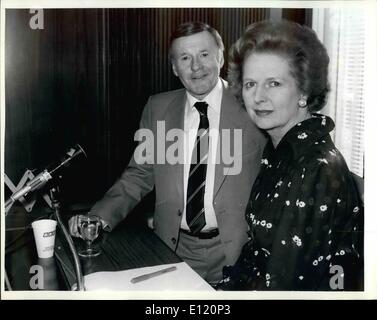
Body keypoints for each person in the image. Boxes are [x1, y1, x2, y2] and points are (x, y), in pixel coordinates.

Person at [69, 21, 266, 285]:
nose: (196, 66)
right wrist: (97, 217)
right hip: (172, 250)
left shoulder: (253, 105)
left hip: (237, 252)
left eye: (204, 54)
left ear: (221, 56)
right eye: (185, 58)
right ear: (174, 67)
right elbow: (139, 175)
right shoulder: (158, 108)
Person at [216, 20, 364, 290]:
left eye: (274, 83)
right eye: (250, 84)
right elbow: (257, 255)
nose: (258, 96)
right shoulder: (280, 150)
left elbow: (284, 285)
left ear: (304, 90)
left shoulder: (314, 167)